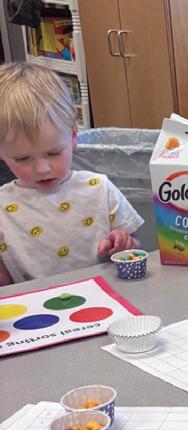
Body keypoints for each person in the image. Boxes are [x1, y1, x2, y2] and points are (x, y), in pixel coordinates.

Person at [0, 63, 144, 286]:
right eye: (23, 158)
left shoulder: (99, 189)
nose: (42, 169)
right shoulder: (3, 205)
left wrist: (126, 244)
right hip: (35, 304)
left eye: (53, 153)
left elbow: (135, 249)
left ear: (73, 136)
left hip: (104, 296)